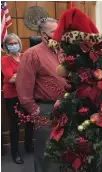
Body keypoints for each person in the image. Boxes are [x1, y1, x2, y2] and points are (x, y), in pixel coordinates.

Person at [16, 18, 66, 172]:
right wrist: (34, 110)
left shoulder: (63, 51)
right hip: (46, 109)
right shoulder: (32, 54)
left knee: (65, 152)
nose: (59, 34)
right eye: (54, 31)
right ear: (44, 34)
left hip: (67, 107)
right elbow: (23, 86)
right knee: (47, 153)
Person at [1, 33, 33, 164]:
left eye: (15, 43)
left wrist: (18, 74)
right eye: (10, 44)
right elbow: (11, 79)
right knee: (14, 125)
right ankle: (15, 153)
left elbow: (33, 73)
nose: (13, 45)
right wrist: (24, 74)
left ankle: (28, 146)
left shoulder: (25, 56)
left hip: (27, 94)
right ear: (6, 46)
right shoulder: (4, 60)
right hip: (12, 95)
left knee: (30, 121)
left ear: (19, 44)